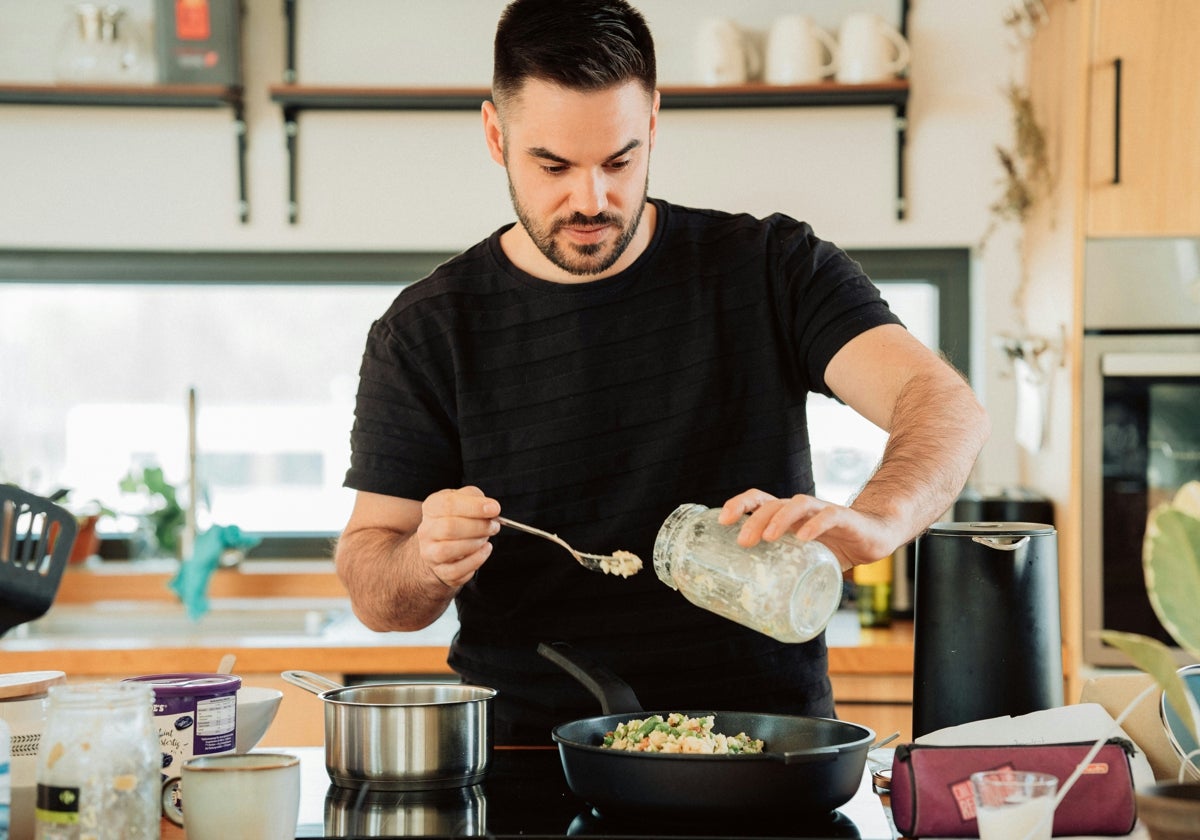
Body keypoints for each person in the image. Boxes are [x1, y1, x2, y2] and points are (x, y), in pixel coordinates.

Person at [335, 0, 989, 744]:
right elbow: (377, 588)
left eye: (619, 161)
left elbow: (943, 404)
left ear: (652, 123)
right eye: (553, 165)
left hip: (765, 752)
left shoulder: (771, 268)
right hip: (535, 765)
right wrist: (424, 560)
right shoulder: (426, 332)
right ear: (495, 134)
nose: (591, 200)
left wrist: (878, 520)